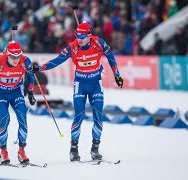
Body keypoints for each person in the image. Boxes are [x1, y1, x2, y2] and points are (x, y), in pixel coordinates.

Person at [33, 21, 123, 161]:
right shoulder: (73, 47)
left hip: (95, 84)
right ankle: (73, 150)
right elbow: (57, 60)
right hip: (80, 84)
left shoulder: (99, 43)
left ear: (89, 35)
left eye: (82, 37)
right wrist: (40, 68)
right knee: (78, 116)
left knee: (98, 116)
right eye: (77, 36)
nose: (79, 40)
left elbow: (111, 57)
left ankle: (95, 149)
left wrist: (117, 75)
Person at [0, 41, 36, 164]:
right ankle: (3, 151)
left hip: (17, 92)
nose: (16, 60)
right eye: (13, 57)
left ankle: (21, 151)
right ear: (7, 54)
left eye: (18, 56)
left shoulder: (25, 61)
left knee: (23, 120)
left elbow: (31, 76)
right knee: (5, 119)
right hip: (1, 93)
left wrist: (30, 93)